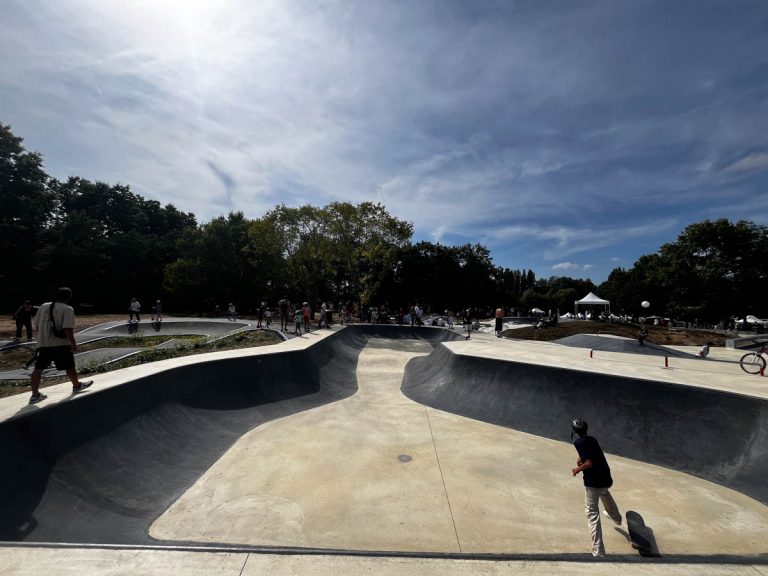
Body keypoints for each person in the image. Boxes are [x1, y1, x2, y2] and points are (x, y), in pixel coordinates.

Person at [28, 287, 93, 404]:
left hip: (43, 345)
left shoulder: (43, 306)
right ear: (69, 297)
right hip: (60, 345)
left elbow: (36, 325)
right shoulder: (67, 309)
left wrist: (42, 339)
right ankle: (77, 386)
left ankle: (35, 395)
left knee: (38, 369)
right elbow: (67, 329)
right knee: (69, 366)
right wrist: (73, 344)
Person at [570, 418, 622, 558]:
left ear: (574, 432)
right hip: (606, 478)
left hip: (593, 483)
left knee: (592, 514)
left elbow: (589, 463)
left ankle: (598, 552)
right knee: (604, 493)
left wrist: (578, 469)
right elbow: (592, 455)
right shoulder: (592, 439)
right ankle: (617, 518)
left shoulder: (578, 442)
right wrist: (581, 459)